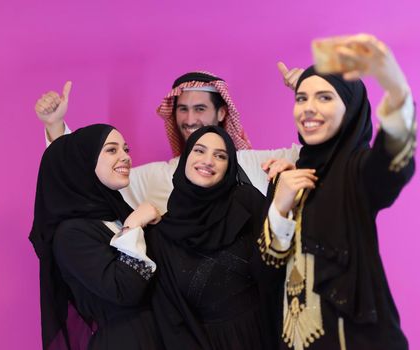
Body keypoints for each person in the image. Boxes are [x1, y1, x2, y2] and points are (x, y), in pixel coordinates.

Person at [260, 34, 416, 349]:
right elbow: (267, 272)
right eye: (301, 98)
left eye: (325, 98)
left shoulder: (356, 170)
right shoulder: (287, 177)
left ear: (351, 109)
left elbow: (389, 166)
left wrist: (397, 90)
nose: (307, 109)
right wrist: (279, 208)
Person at [35, 70, 302, 214]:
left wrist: (307, 91)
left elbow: (321, 155)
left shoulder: (259, 164)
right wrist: (55, 125)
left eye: (199, 109)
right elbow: (83, 180)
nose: (189, 119)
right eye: (182, 109)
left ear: (221, 114)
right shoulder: (158, 176)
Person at [144, 125, 293, 350]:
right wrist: (131, 227)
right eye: (199, 151)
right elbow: (172, 318)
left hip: (269, 332)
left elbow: (278, 262)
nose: (208, 160)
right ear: (185, 158)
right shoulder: (160, 236)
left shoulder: (246, 201)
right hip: (211, 344)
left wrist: (283, 194)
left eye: (220, 155)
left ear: (229, 165)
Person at [29, 124, 164, 350]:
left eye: (126, 149)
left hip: (157, 335)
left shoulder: (118, 215)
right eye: (112, 150)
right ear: (83, 163)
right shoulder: (70, 235)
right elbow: (124, 291)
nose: (125, 157)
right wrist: (133, 226)